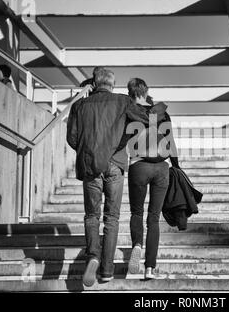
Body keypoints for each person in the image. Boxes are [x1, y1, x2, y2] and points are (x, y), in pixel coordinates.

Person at [66, 67, 164, 287]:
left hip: (90, 165)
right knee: (112, 218)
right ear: (111, 84)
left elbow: (72, 138)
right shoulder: (122, 102)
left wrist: (90, 150)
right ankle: (107, 271)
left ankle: (93, 256)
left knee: (92, 216)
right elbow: (148, 119)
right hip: (115, 165)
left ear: (94, 83)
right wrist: (124, 138)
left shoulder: (80, 105)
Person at [125, 78, 180, 280]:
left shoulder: (129, 111)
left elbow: (121, 139)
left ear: (131, 93)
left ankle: (137, 245)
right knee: (154, 218)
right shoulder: (162, 112)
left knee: (137, 213)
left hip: (138, 165)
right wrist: (177, 166)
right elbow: (171, 142)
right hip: (161, 168)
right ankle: (149, 268)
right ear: (147, 91)